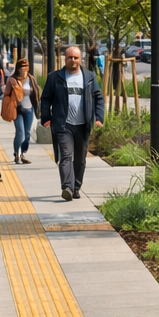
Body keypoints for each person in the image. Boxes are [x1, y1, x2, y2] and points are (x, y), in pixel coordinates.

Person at [39, 45, 104, 202]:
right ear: (65, 58)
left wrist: (99, 117)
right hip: (63, 125)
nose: (73, 60)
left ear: (80, 59)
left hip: (83, 125)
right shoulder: (55, 77)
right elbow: (45, 99)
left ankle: (76, 188)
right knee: (66, 156)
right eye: (70, 57)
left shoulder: (89, 77)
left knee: (80, 159)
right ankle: (67, 187)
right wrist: (46, 117)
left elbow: (98, 97)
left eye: (76, 57)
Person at [4, 58, 36, 164]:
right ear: (18, 68)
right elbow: (6, 94)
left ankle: (22, 153)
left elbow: (35, 94)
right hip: (17, 109)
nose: (24, 69)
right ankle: (17, 154)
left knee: (27, 134)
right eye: (22, 67)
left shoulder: (31, 79)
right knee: (20, 132)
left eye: (26, 67)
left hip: (29, 109)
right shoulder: (12, 79)